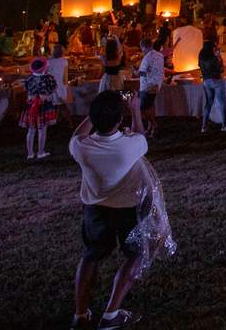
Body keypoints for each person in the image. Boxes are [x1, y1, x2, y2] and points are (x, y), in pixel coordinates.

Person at [70, 91, 150, 329]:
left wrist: (96, 113)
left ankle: (80, 315)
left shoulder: (81, 147)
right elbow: (141, 135)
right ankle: (111, 313)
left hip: (95, 210)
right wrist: (135, 109)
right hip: (127, 209)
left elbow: (78, 133)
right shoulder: (131, 145)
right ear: (119, 120)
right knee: (136, 254)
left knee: (91, 256)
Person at [19, 57, 58, 160]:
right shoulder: (49, 78)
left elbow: (26, 89)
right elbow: (53, 89)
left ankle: (30, 153)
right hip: (44, 106)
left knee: (31, 130)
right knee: (42, 130)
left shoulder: (29, 78)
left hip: (30, 106)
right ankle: (40, 152)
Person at [198, 38, 226, 133]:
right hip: (217, 81)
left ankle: (204, 127)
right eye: (214, 47)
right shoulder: (214, 58)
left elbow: (200, 67)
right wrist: (219, 57)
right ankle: (224, 125)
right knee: (222, 103)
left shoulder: (201, 57)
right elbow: (221, 69)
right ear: (212, 48)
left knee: (208, 103)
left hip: (206, 81)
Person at [137, 36, 166, 139]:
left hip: (147, 86)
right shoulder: (159, 55)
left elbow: (142, 73)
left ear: (143, 47)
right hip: (156, 84)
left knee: (142, 108)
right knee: (150, 106)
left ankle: (153, 124)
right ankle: (150, 126)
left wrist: (135, 71)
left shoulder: (147, 57)